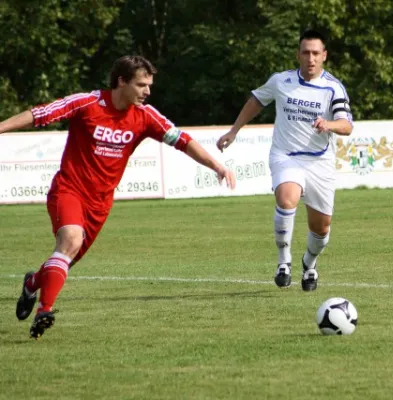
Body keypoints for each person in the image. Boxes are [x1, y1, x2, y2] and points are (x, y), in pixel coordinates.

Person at [1, 55, 236, 339]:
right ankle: (44, 311)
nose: (147, 91)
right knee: (70, 241)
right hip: (69, 190)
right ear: (121, 82)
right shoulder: (87, 103)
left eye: (149, 85)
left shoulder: (145, 116)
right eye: (141, 85)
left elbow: (182, 140)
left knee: (67, 256)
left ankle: (33, 283)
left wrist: (218, 166)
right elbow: (40, 114)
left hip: (100, 204)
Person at [217, 30, 353, 291]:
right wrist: (234, 130)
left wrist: (329, 124)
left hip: (319, 163)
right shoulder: (282, 81)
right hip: (286, 155)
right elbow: (257, 100)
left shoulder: (333, 88)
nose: (310, 58)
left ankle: (309, 264)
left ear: (324, 56)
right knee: (286, 198)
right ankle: (283, 262)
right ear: (297, 54)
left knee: (321, 230)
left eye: (316, 53)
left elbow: (347, 126)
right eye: (306, 52)